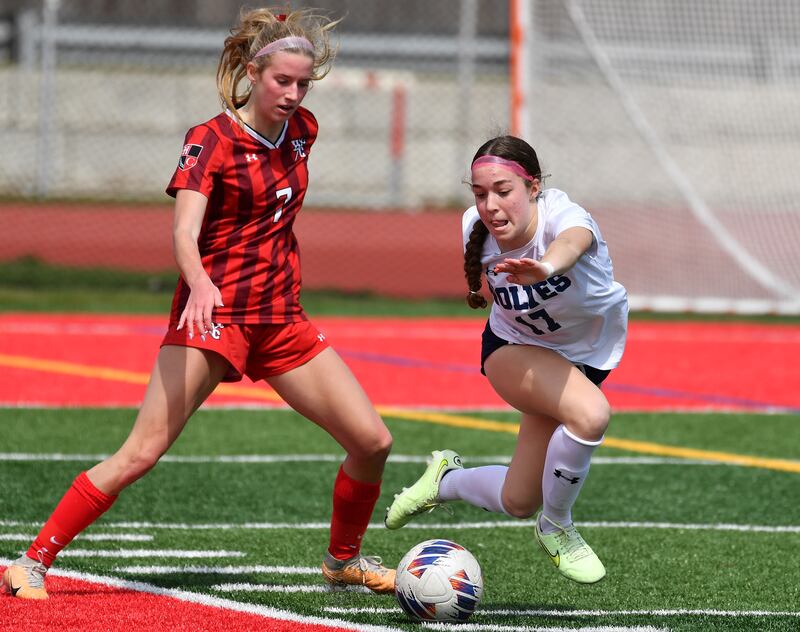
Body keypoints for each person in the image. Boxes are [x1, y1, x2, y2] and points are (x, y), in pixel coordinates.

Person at [2, 7, 396, 600]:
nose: (293, 95)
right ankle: (31, 561)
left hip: (280, 317)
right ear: (252, 72)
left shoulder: (304, 130)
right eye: (281, 81)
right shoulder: (209, 140)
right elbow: (184, 233)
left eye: (302, 84)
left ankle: (343, 562)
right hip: (213, 316)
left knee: (372, 442)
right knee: (141, 452)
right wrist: (202, 282)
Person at [385, 135, 628, 584]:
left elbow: (573, 240)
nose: (490, 206)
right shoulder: (473, 227)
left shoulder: (562, 215)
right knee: (591, 415)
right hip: (511, 349)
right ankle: (557, 527)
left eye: (503, 191)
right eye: (480, 194)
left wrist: (546, 268)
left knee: (518, 500)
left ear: (533, 187)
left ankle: (444, 481)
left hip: (584, 357)